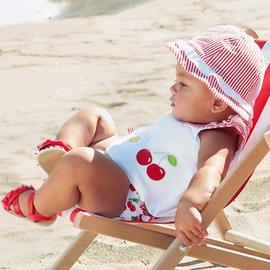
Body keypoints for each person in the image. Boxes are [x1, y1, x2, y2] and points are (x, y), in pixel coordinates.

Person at [2, 25, 264, 248]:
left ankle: (40, 204)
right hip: (121, 159)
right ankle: (61, 154)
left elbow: (209, 174)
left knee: (80, 160)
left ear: (217, 104)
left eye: (183, 84)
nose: (173, 87)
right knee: (94, 116)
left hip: (129, 194)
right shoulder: (195, 115)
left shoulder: (217, 137)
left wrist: (189, 205)